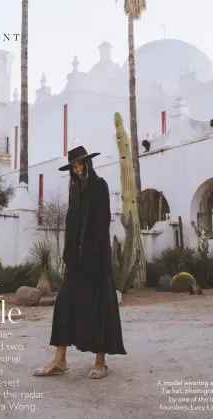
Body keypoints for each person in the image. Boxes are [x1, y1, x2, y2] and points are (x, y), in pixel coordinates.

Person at [33, 146, 126, 379]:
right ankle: (60, 359)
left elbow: (102, 220)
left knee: (99, 306)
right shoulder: (73, 189)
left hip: (97, 259)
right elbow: (71, 221)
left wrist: (91, 253)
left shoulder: (100, 185)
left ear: (88, 163)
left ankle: (100, 361)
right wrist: (68, 252)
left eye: (80, 164)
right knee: (64, 303)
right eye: (74, 167)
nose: (77, 169)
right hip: (75, 260)